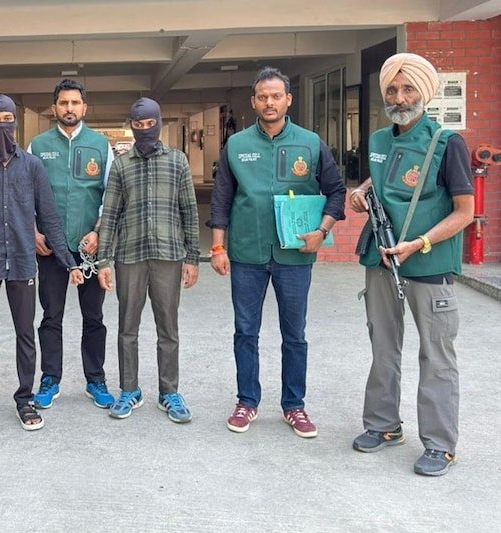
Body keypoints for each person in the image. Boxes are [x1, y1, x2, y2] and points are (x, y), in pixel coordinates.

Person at [350, 53, 473, 476]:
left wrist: (420, 243)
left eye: (408, 89)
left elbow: (464, 212)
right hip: (382, 259)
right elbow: (383, 179)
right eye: (392, 90)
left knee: (436, 355)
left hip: (428, 264)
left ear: (425, 92)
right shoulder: (379, 141)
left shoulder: (447, 143)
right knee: (383, 347)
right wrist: (361, 192)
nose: (399, 98)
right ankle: (383, 425)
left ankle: (440, 444)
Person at [208, 67, 345, 438]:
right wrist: (218, 246)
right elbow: (221, 198)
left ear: (289, 100)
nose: (269, 102)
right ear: (254, 102)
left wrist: (322, 231)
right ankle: (247, 401)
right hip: (247, 253)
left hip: (295, 256)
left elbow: (336, 191)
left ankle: (294, 405)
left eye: (276, 96)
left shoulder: (311, 143)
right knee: (245, 331)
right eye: (263, 97)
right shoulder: (237, 145)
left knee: (294, 334)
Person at [0, 94, 85, 431]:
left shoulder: (32, 166)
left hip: (22, 263)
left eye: (7, 118)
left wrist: (69, 262)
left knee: (25, 333)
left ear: (15, 121)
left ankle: (24, 399)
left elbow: (50, 217)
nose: (2, 125)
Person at [96, 97, 200, 424]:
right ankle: (130, 390)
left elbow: (189, 211)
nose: (144, 130)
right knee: (127, 327)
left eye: (150, 124)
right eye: (138, 125)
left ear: (159, 123)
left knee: (168, 327)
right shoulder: (121, 165)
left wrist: (192, 257)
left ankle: (169, 392)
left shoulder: (178, 161)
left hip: (168, 255)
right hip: (130, 256)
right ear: (131, 126)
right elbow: (110, 214)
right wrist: (103, 261)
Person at [26, 79, 115, 410]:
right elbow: (25, 194)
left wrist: (99, 231)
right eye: (63, 103)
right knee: (51, 315)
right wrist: (33, 232)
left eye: (75, 103)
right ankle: (50, 379)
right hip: (50, 248)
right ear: (54, 108)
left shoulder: (100, 146)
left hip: (89, 245)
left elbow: (111, 194)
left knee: (94, 316)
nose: (69, 108)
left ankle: (96, 379)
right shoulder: (38, 146)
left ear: (84, 107)